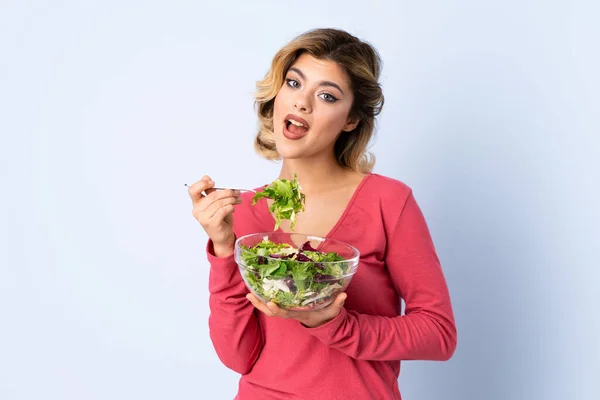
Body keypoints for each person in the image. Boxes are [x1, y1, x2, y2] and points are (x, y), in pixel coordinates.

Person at [188, 28, 457, 400]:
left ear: (350, 120)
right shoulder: (245, 212)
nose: (302, 103)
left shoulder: (388, 201)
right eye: (294, 83)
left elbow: (439, 335)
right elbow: (237, 356)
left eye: (327, 95)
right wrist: (221, 249)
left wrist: (336, 324)